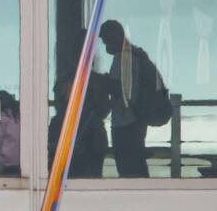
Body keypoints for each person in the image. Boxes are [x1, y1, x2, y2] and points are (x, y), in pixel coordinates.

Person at [48, 31, 112, 178]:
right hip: (92, 137)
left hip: (66, 135)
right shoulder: (97, 81)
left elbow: (60, 106)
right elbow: (104, 109)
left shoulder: (63, 81)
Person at [99, 20, 154, 177]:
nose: (105, 45)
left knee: (127, 167)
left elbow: (117, 89)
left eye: (105, 40)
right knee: (136, 163)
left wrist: (99, 80)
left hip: (125, 122)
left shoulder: (122, 57)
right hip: (137, 119)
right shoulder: (136, 54)